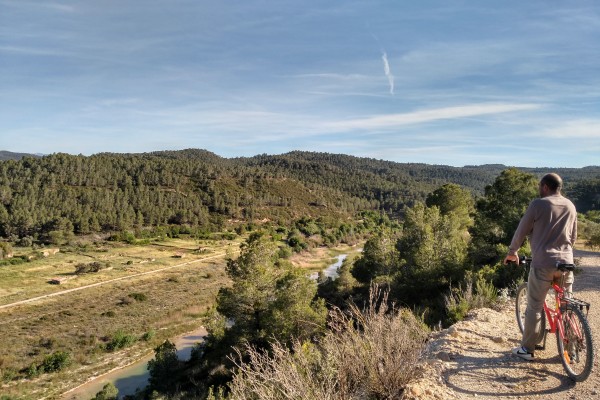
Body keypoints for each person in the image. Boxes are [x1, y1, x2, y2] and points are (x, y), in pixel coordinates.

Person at [503, 173, 577, 361]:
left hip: (543, 263)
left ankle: (527, 350)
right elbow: (573, 237)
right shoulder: (570, 205)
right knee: (566, 306)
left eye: (539, 186)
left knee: (534, 307)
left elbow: (522, 230)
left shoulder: (538, 204)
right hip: (566, 263)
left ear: (545, 186)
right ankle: (571, 350)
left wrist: (513, 252)